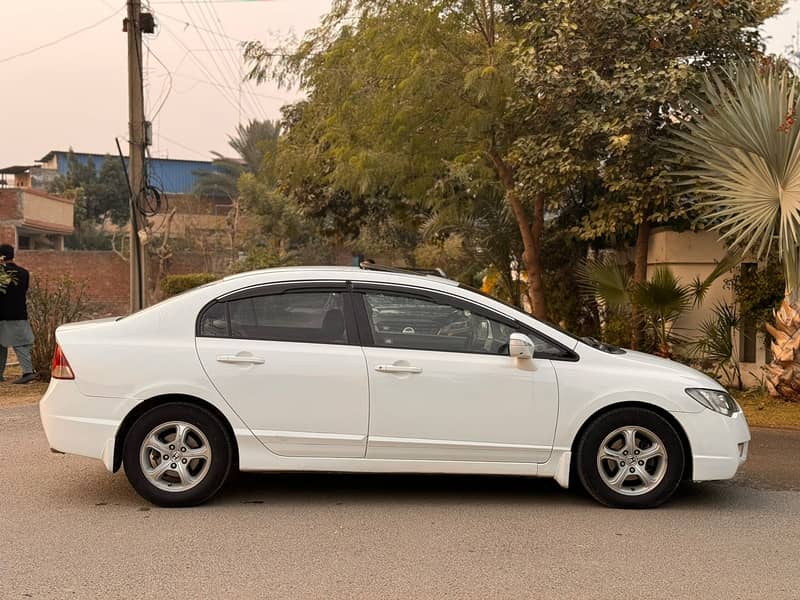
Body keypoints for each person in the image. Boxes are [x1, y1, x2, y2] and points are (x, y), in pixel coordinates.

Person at [0, 244, 36, 384]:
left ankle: (27, 373)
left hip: (2, 315)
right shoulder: (24, 273)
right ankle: (28, 371)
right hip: (19, 313)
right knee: (21, 344)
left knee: (1, 347)